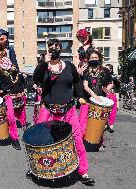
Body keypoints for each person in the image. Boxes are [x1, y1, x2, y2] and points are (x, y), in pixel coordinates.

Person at [36, 38, 95, 185]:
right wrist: (44, 63)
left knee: (77, 140)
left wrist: (81, 97)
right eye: (51, 46)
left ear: (61, 49)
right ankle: (40, 169)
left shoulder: (68, 66)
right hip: (48, 110)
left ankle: (83, 171)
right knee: (42, 140)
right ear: (47, 49)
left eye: (57, 46)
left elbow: (76, 82)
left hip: (68, 110)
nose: (54, 48)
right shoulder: (43, 67)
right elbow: (36, 79)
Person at [79, 50, 114, 142]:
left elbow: (111, 83)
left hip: (100, 102)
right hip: (87, 100)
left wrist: (107, 89)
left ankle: (99, 142)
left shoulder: (105, 70)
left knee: (99, 123)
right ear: (88, 59)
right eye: (92, 58)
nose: (94, 59)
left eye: (96, 58)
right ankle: (82, 143)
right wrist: (95, 96)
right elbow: (85, 86)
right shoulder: (86, 70)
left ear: (99, 59)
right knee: (83, 122)